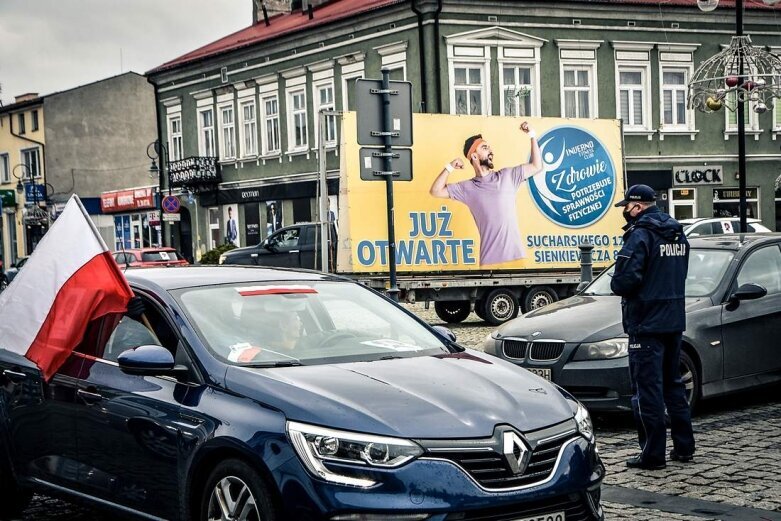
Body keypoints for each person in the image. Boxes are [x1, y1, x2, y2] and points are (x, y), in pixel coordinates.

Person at [610, 184, 695, 470]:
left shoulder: (640, 235)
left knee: (647, 390)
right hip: (673, 320)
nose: (624, 211)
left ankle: (652, 454)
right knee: (673, 385)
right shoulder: (677, 233)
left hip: (646, 322)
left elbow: (623, 281)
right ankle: (684, 447)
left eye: (626, 206)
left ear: (637, 206)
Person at [429, 122, 542, 266]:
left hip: (517, 260)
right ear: (474, 156)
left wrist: (532, 134)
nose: (491, 150)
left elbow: (536, 166)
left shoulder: (508, 176)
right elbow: (435, 191)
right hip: (489, 263)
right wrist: (450, 167)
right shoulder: (468, 188)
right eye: (485, 147)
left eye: (489, 147)